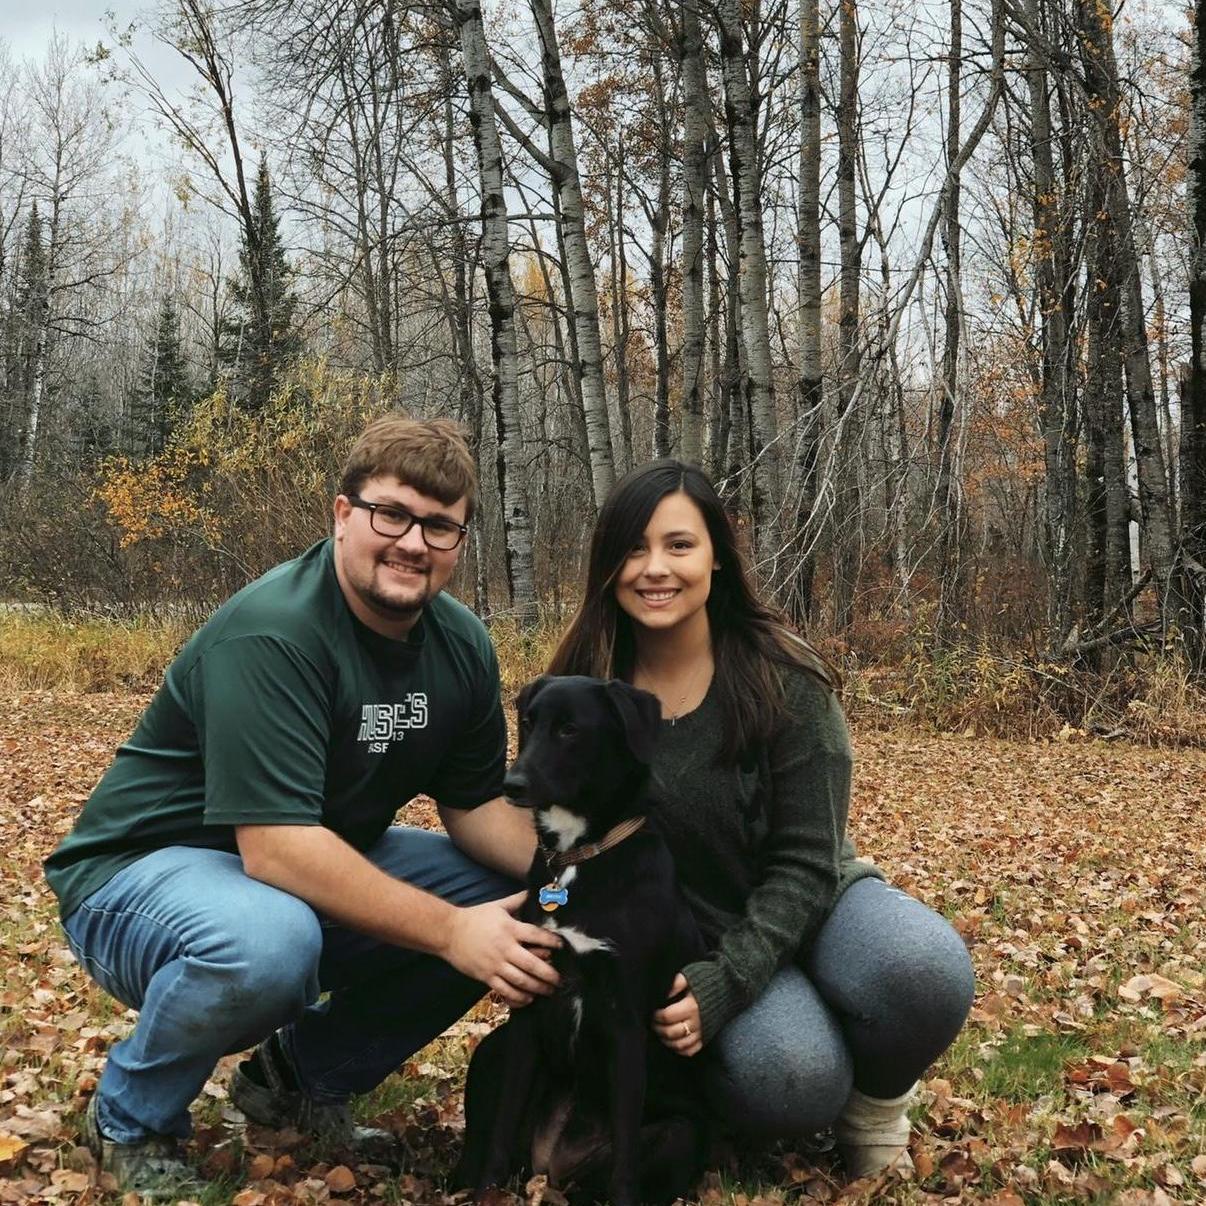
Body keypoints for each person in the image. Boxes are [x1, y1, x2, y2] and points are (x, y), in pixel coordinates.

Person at [44, 415, 562, 1197]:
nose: (413, 543)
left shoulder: (461, 648)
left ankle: (297, 1077)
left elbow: (479, 805)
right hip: (134, 881)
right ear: (343, 513)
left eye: (440, 526)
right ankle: (132, 1118)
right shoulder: (275, 631)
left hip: (287, 869)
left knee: (510, 904)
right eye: (392, 513)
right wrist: (454, 933)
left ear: (460, 542)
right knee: (269, 942)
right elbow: (277, 849)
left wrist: (582, 874)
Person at [547, 459, 975, 1179]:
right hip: (698, 929)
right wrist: (546, 923)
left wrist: (729, 984)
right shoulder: (587, 686)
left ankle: (874, 1104)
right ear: (607, 565)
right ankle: (810, 1068)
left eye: (679, 545)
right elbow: (559, 844)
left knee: (923, 969)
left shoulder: (783, 677)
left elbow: (807, 863)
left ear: (717, 556)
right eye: (633, 547)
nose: (655, 568)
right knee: (790, 1078)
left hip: (815, 897)